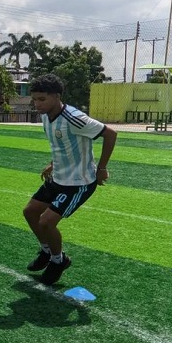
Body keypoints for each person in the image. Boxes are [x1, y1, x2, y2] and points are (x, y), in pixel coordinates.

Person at [23, 74, 117, 285]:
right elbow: (64, 144)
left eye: (42, 99)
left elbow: (111, 134)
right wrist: (53, 164)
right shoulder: (46, 116)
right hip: (58, 178)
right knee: (30, 212)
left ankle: (59, 260)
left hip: (79, 183)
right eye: (35, 99)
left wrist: (101, 168)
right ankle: (47, 252)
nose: (37, 104)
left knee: (47, 222)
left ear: (56, 97)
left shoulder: (74, 118)